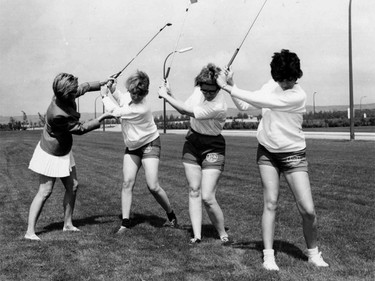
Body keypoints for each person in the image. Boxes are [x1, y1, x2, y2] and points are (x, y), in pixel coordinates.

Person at [216, 49, 329, 270]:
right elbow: (247, 105)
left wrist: (228, 86)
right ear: (276, 76)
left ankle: (313, 253)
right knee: (270, 203)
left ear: (297, 76)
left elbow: (263, 100)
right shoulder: (270, 86)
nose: (287, 83)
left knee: (308, 210)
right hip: (267, 152)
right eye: (282, 79)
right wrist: (232, 85)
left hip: (293, 154)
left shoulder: (298, 95)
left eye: (291, 79)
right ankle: (269, 256)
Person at [25, 73, 114, 241]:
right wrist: (101, 118)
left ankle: (67, 224)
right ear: (66, 94)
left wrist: (102, 82)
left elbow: (84, 87)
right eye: (74, 91)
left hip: (64, 150)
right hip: (50, 152)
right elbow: (79, 129)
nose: (77, 92)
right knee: (45, 191)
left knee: (73, 186)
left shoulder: (63, 95)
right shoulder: (57, 114)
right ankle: (30, 232)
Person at [158, 63, 230, 245]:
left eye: (211, 91)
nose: (207, 94)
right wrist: (170, 93)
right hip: (192, 143)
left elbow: (185, 111)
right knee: (194, 190)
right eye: (204, 90)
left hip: (213, 146)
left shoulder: (219, 105)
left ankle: (222, 233)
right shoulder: (200, 91)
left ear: (219, 87)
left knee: (207, 196)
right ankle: (196, 236)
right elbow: (184, 105)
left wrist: (165, 96)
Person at [100, 70, 177, 234]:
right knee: (127, 182)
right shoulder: (130, 95)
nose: (134, 97)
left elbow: (115, 112)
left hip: (150, 143)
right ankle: (125, 223)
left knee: (153, 186)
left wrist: (104, 95)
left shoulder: (141, 108)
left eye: (138, 95)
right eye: (132, 93)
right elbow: (122, 98)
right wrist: (113, 88)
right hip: (133, 146)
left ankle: (171, 215)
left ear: (145, 93)